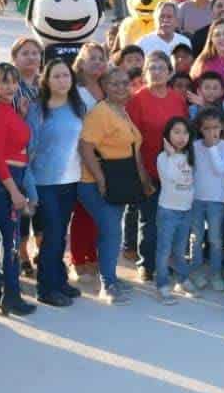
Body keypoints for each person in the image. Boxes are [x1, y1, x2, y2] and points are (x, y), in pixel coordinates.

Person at [77, 67, 148, 304]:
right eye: (114, 84)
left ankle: (110, 276)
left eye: (124, 83)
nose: (120, 88)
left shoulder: (120, 111)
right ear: (105, 86)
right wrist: (100, 179)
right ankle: (107, 284)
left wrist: (143, 178)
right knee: (111, 231)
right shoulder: (101, 112)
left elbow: (132, 148)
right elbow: (85, 147)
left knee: (111, 230)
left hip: (119, 180)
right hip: (95, 183)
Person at [0, 63, 36, 315]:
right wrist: (13, 190)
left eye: (13, 81)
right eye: (4, 81)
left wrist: (20, 115)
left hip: (6, 179)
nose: (10, 86)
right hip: (4, 181)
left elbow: (10, 141)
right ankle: (10, 295)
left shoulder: (4, 108)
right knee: (10, 239)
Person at [25, 59, 85, 306]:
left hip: (70, 181)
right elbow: (27, 151)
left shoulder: (77, 105)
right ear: (47, 81)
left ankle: (59, 280)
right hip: (44, 182)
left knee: (60, 235)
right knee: (51, 235)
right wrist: (28, 189)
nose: (62, 80)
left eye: (66, 76)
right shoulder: (38, 109)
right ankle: (45, 288)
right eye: (57, 76)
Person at [128, 50, 190, 282]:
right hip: (149, 171)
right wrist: (141, 173)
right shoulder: (137, 100)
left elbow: (184, 133)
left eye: (161, 68)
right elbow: (132, 140)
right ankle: (147, 263)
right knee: (150, 220)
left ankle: (172, 261)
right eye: (152, 68)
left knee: (173, 219)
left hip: (175, 173)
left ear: (170, 72)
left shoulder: (177, 99)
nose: (157, 72)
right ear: (145, 72)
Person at [153, 116, 197, 303]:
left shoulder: (190, 156)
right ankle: (162, 284)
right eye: (176, 132)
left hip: (186, 211)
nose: (181, 137)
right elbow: (172, 177)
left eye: (185, 132)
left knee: (180, 250)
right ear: (167, 135)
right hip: (168, 211)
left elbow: (191, 181)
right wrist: (170, 155)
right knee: (164, 251)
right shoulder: (163, 158)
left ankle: (182, 278)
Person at [189, 107, 224, 292]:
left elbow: (220, 169)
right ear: (200, 129)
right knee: (196, 238)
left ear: (221, 127)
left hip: (216, 200)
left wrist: (213, 147)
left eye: (215, 127)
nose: (212, 132)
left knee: (215, 239)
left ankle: (216, 273)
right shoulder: (194, 146)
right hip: (196, 199)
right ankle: (196, 272)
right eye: (207, 128)